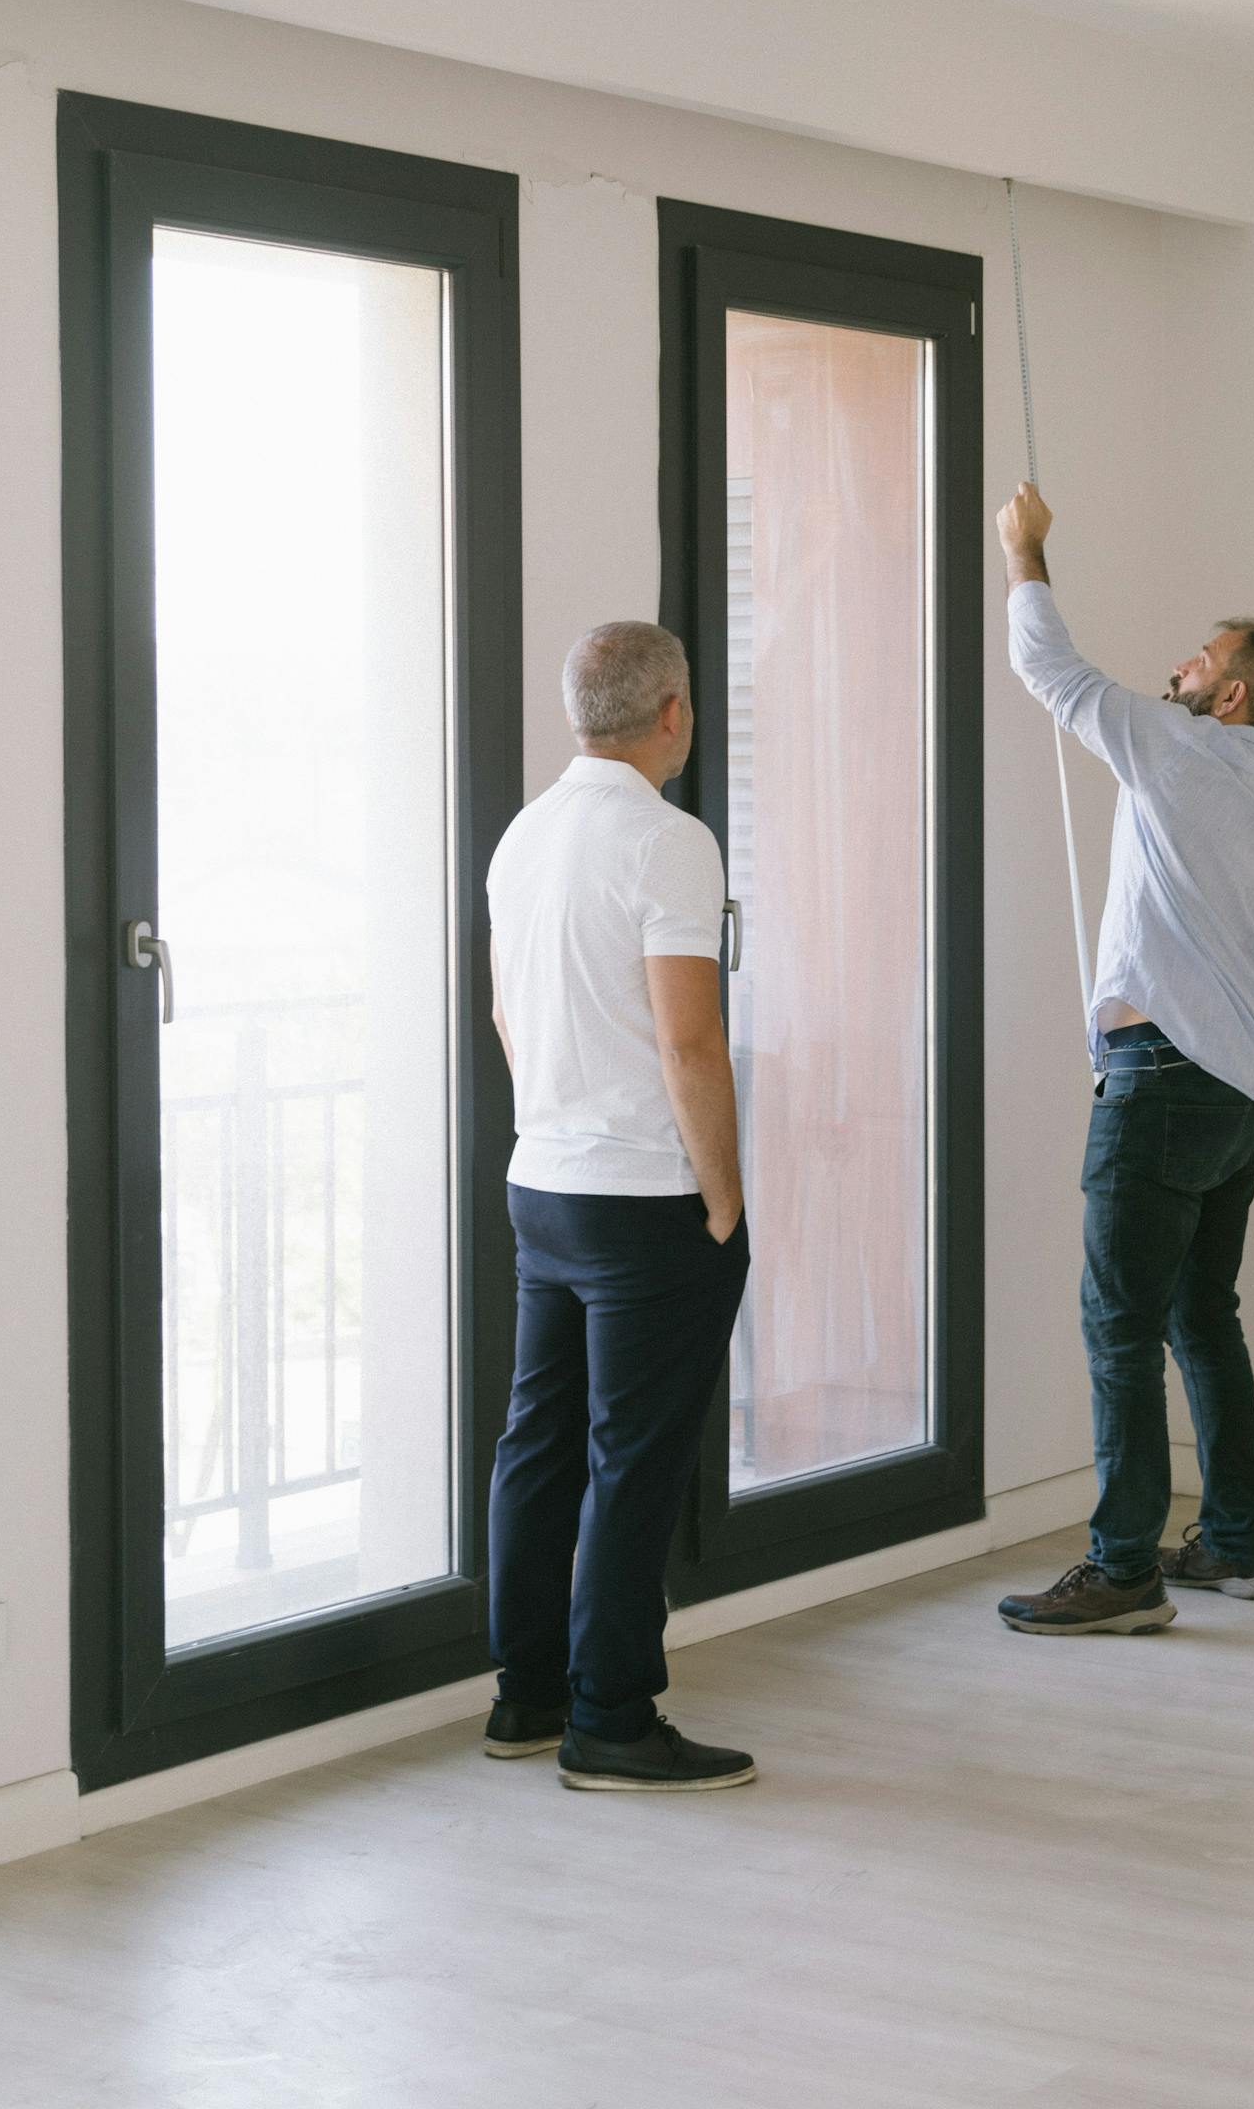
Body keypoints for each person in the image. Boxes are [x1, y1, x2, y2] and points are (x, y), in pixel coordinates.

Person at [992, 485, 1254, 1638]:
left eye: (1198, 660)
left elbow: (1052, 671)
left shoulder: (1181, 749)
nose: (1176, 669)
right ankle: (1234, 1540)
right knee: (1201, 1317)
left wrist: (1024, 551)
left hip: (1165, 1082)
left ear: (1229, 697)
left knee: (1118, 1325)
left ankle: (1123, 1567)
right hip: (1245, 1094)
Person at [481, 620, 756, 1789]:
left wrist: (560, 1117)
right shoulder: (667, 841)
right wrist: (724, 1197)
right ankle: (611, 1719)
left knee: (539, 1445)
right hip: (643, 1199)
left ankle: (528, 1696)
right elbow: (690, 1040)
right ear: (672, 713)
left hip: (542, 1184)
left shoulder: (525, 835)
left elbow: (505, 1013)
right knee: (632, 1463)